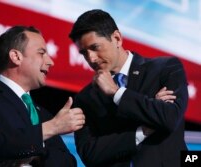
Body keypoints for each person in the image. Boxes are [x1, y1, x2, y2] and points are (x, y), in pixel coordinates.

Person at [69, 9, 189, 167]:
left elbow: (170, 118)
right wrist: (144, 128)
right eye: (84, 53)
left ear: (117, 38)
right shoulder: (85, 98)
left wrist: (117, 93)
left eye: (95, 47)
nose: (91, 58)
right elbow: (90, 153)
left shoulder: (165, 68)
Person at [0, 25, 85, 167]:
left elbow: (68, 162)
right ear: (16, 57)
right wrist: (51, 128)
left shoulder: (44, 115)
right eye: (41, 53)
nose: (50, 62)